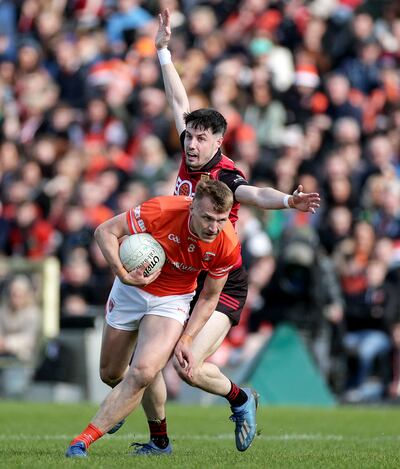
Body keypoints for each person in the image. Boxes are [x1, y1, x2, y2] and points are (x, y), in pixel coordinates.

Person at [119, 8, 321, 456]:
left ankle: (242, 398)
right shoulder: (187, 150)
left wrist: (288, 200)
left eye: (200, 139)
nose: (191, 144)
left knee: (188, 365)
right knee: (145, 365)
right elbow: (177, 101)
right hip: (182, 275)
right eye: (188, 137)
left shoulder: (225, 176)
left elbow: (254, 193)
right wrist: (164, 52)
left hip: (222, 281)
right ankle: (159, 443)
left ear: (217, 143)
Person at [65, 179, 245, 458]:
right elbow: (105, 232)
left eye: (221, 220)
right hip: (130, 290)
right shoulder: (161, 210)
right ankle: (131, 409)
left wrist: (187, 337)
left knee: (144, 372)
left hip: (172, 301)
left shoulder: (227, 242)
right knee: (112, 374)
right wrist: (124, 275)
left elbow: (209, 297)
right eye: (207, 218)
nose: (213, 227)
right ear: (192, 207)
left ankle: (82, 441)